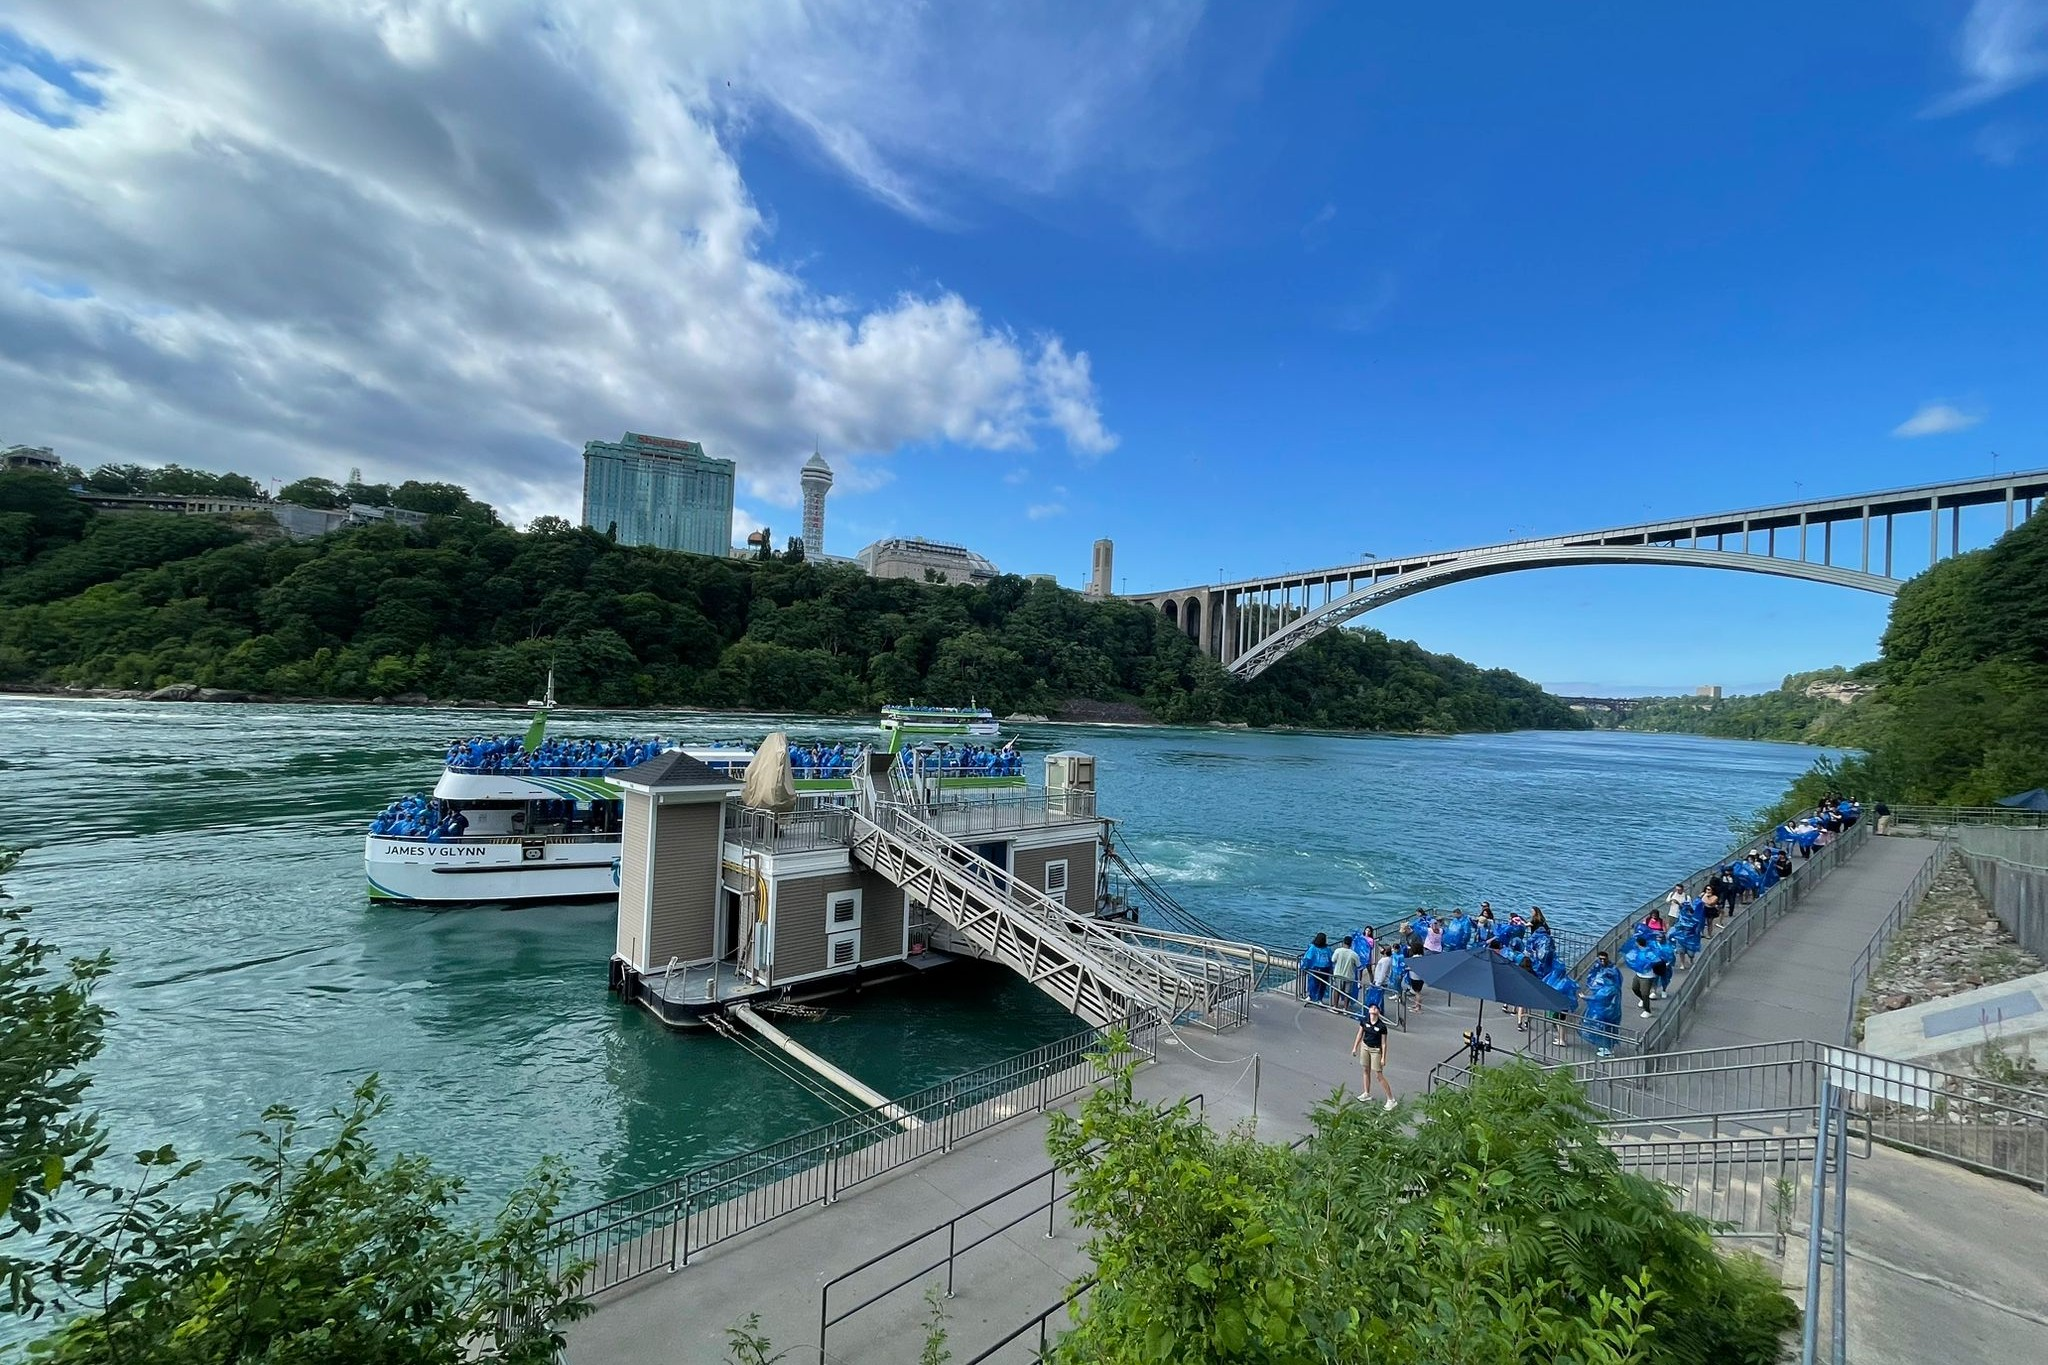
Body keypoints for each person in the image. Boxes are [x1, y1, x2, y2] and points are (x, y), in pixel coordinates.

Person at [1352, 1002, 1395, 1109]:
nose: (1373, 1009)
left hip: (1376, 1050)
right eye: (1371, 1007)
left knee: (1378, 1075)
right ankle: (1366, 1093)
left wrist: (1383, 1057)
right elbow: (1360, 1034)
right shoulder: (1364, 1021)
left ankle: (1391, 1099)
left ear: (1379, 1012)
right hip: (1365, 1046)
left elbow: (1384, 1043)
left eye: (1375, 1008)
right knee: (1365, 1069)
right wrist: (1355, 1047)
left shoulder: (1382, 1026)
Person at [1581, 952, 1623, 1055]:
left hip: (1605, 1011)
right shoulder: (1612, 985)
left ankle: (1608, 1049)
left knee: (1603, 1028)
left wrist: (1585, 997)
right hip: (1608, 1009)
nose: (1602, 961)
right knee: (1606, 1028)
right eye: (1600, 959)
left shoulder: (1609, 988)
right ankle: (1606, 1047)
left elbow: (1599, 997)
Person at [1621, 930, 1660, 1018]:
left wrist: (1648, 965)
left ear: (1638, 944)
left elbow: (1657, 961)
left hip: (1648, 976)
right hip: (1639, 974)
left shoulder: (1649, 953)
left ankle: (1647, 1010)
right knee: (1635, 988)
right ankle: (1644, 1000)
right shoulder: (1638, 952)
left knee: (1645, 993)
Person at [1300, 932, 1334, 1005]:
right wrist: (1331, 968)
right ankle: (1319, 999)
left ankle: (1311, 997)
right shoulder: (1327, 948)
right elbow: (1331, 959)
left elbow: (1307, 958)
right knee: (1322, 985)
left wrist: (1304, 966)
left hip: (1315, 968)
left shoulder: (1313, 947)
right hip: (1325, 969)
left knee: (1313, 984)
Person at [1329, 936, 1361, 1013]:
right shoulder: (1354, 954)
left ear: (1343, 942)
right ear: (1351, 944)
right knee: (1347, 992)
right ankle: (1345, 1009)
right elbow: (1358, 965)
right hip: (1349, 975)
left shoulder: (1338, 951)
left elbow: (1333, 960)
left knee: (1337, 990)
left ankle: (1335, 1006)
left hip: (1338, 974)